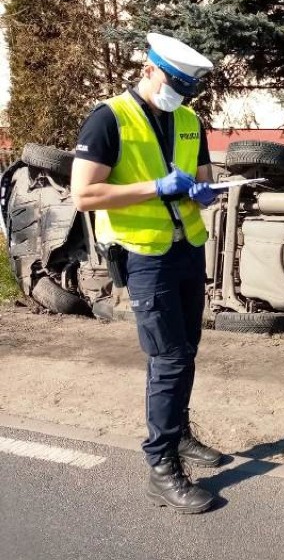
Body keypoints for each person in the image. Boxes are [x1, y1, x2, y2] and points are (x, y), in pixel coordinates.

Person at [71, 33, 223, 514]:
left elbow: (201, 178)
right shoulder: (108, 118)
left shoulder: (188, 120)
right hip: (144, 256)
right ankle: (161, 466)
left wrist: (204, 191)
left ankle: (177, 435)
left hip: (187, 249)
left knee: (187, 351)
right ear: (151, 68)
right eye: (176, 82)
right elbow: (84, 196)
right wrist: (155, 187)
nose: (181, 93)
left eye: (189, 87)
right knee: (169, 358)